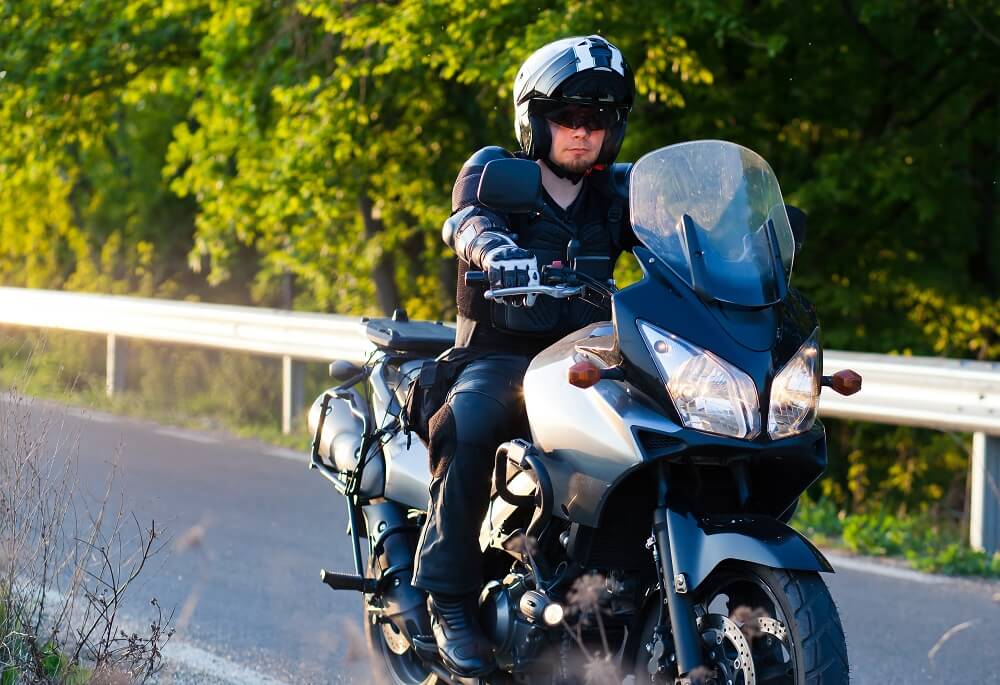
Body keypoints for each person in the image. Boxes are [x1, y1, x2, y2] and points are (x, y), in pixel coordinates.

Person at [411, 35, 638, 677]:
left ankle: (619, 590)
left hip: (588, 361)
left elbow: (679, 241)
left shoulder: (618, 194)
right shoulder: (495, 173)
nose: (584, 132)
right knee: (473, 420)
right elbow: (467, 222)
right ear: (535, 119)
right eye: (569, 116)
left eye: (599, 119)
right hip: (502, 356)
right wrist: (492, 249)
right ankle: (448, 597)